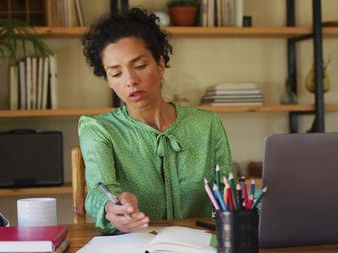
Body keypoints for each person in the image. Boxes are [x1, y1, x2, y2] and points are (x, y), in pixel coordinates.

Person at [79, 8, 233, 234]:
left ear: (160, 65)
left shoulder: (207, 125)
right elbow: (98, 191)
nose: (131, 80)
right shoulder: (99, 129)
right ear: (108, 82)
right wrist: (110, 208)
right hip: (136, 245)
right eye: (116, 73)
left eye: (140, 66)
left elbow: (229, 197)